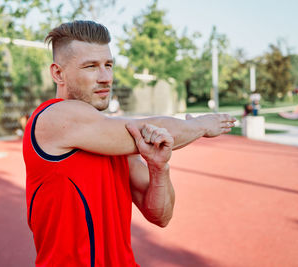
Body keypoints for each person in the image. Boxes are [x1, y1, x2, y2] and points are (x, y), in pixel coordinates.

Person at [22, 20, 236, 267]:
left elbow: (160, 215)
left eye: (108, 65)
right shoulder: (54, 117)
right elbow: (146, 128)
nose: (105, 77)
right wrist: (201, 125)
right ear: (58, 73)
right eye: (91, 66)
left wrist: (159, 169)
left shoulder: (112, 139)